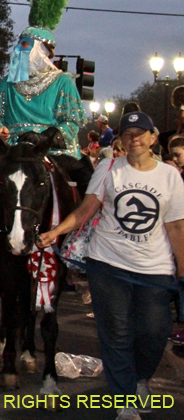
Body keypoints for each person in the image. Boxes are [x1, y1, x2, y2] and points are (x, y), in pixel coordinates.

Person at [39, 112, 184, 420]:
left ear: (153, 138)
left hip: (154, 269)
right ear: (121, 140)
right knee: (116, 333)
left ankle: (139, 377)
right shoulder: (108, 168)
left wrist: (182, 271)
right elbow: (87, 208)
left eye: (141, 134)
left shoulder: (170, 176)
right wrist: (55, 231)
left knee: (154, 333)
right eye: (128, 134)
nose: (135, 139)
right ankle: (125, 401)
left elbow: (176, 227)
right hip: (108, 264)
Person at [0, 0, 88, 268]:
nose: (19, 51)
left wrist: (46, 136)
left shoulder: (62, 82)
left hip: (51, 148)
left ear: (41, 50)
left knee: (89, 181)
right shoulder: (6, 83)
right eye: (19, 45)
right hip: (11, 149)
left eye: (25, 46)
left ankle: (85, 243)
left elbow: (73, 120)